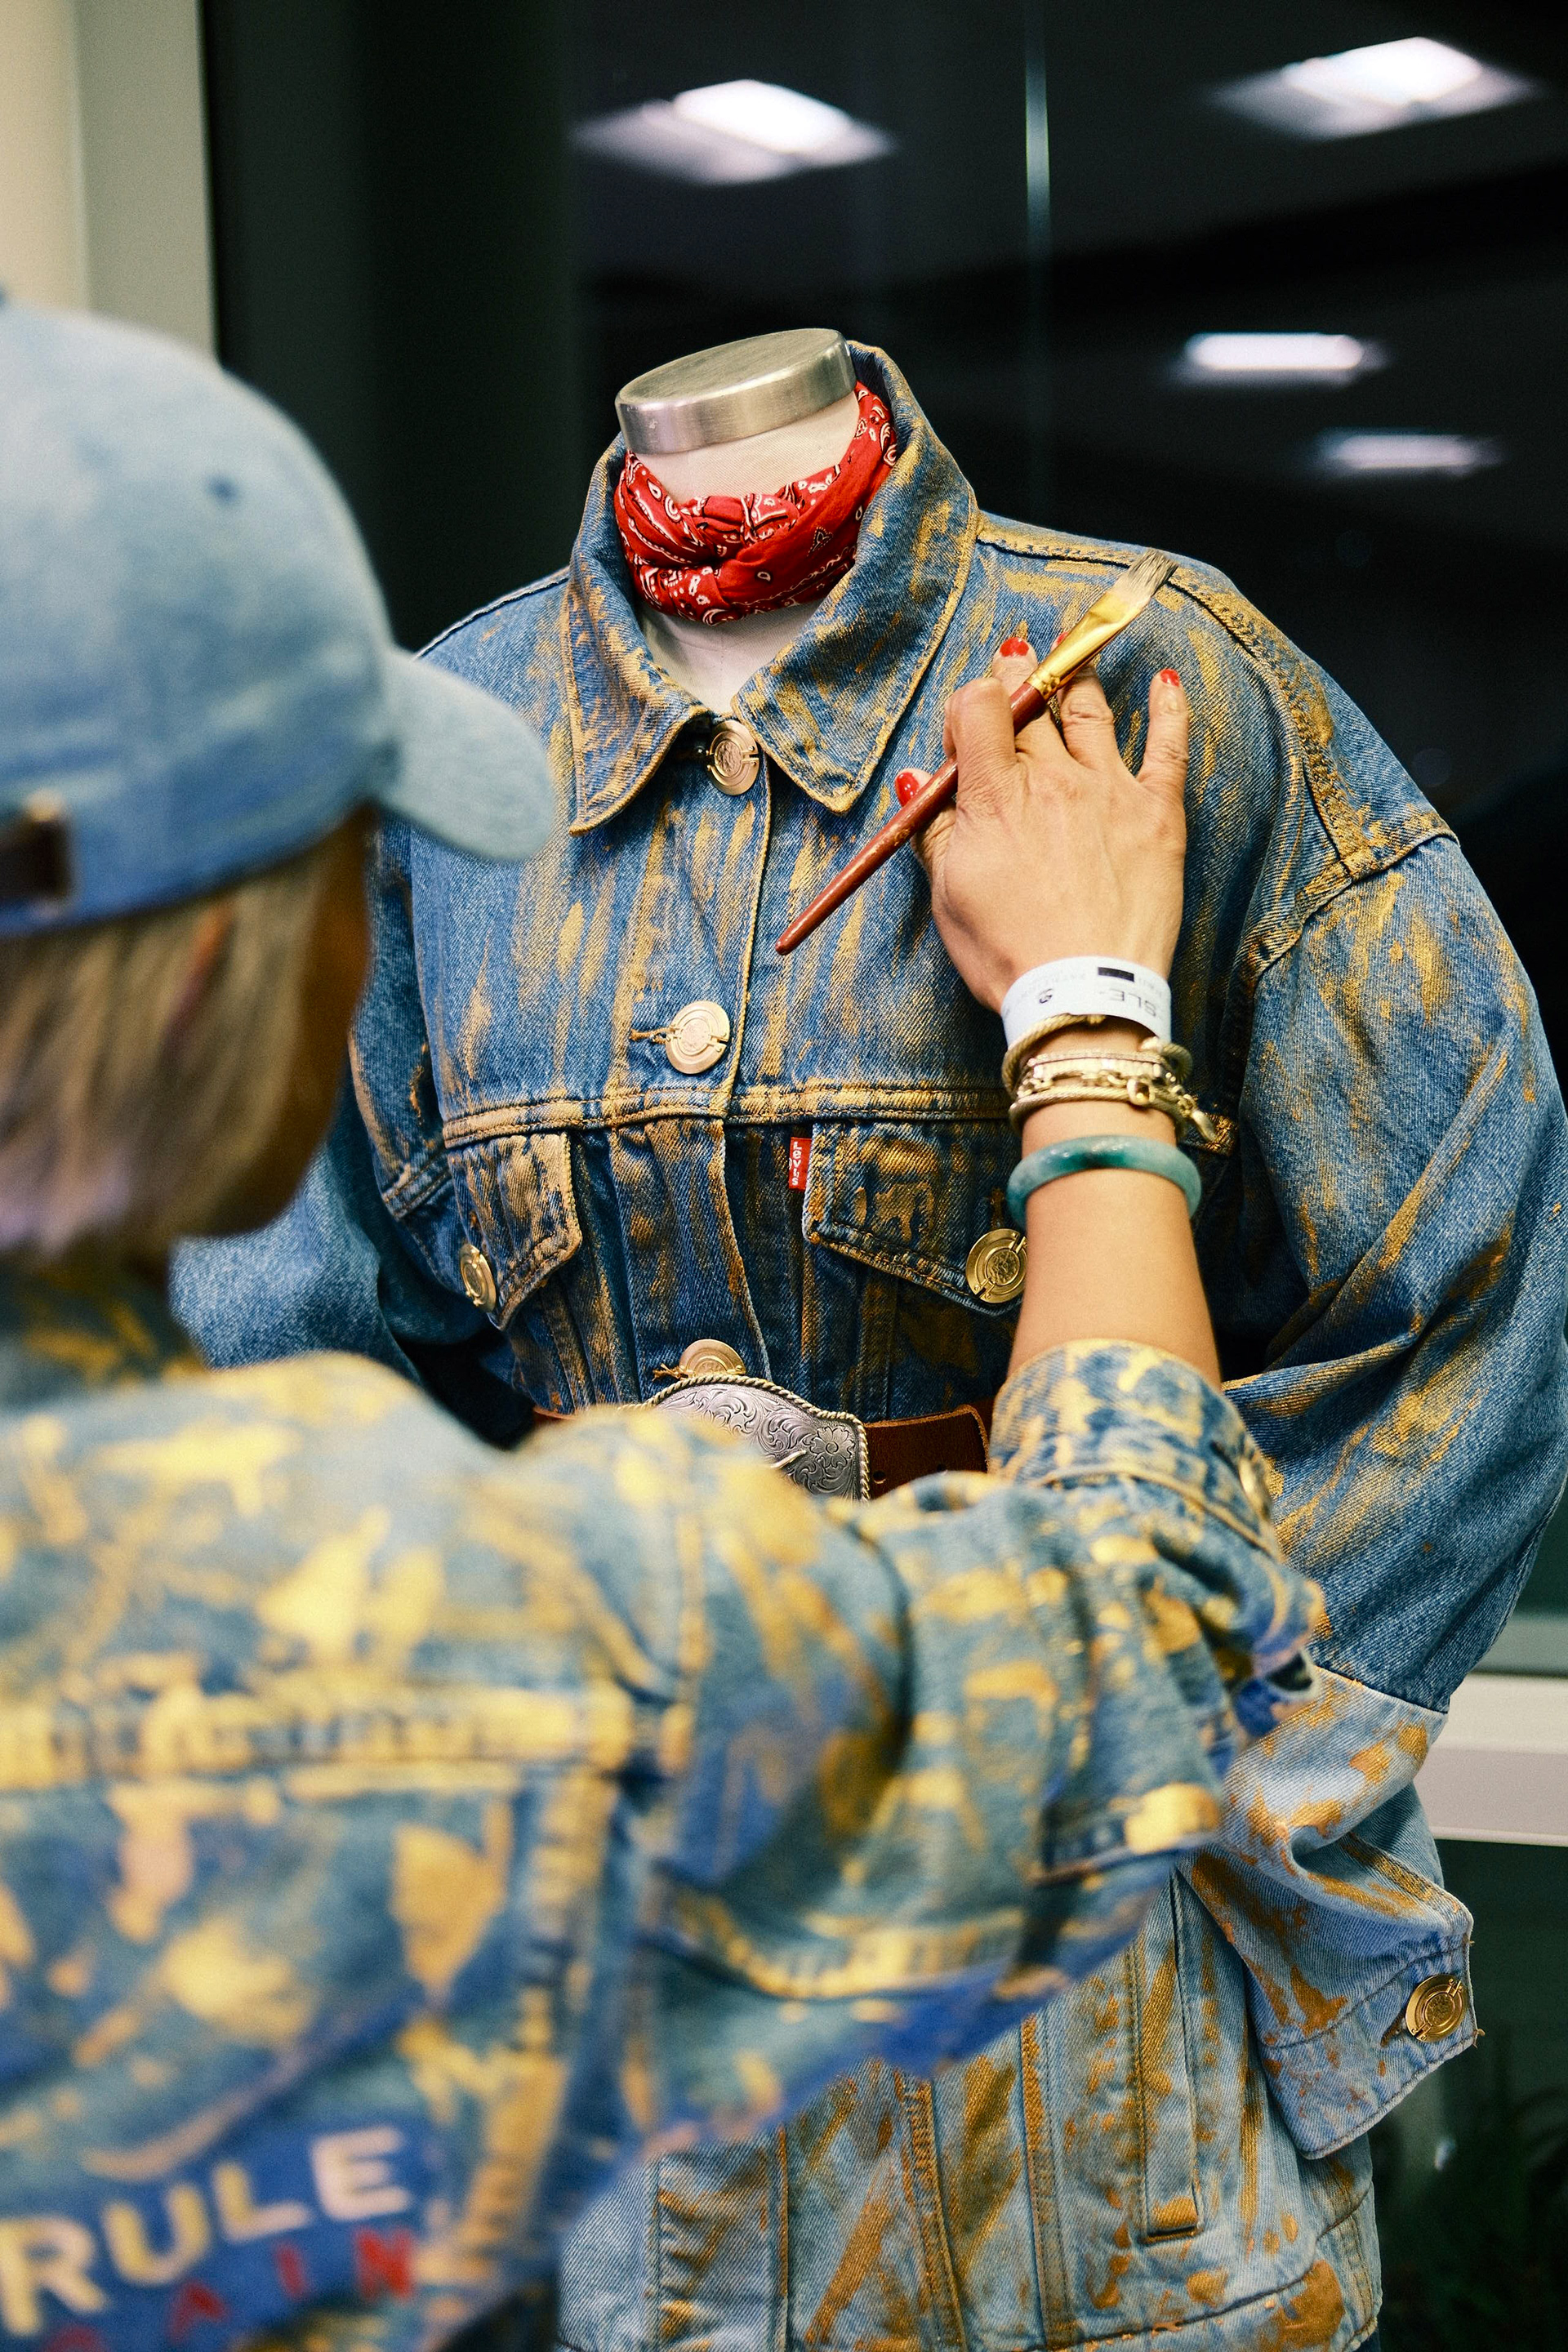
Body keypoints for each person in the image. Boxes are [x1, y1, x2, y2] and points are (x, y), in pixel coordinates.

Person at [176, 333, 1568, 2352]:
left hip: (1087, 2009)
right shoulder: (429, 768)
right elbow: (280, 1378)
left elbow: (1460, 1288)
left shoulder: (1158, 685)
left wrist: (1217, 1787)